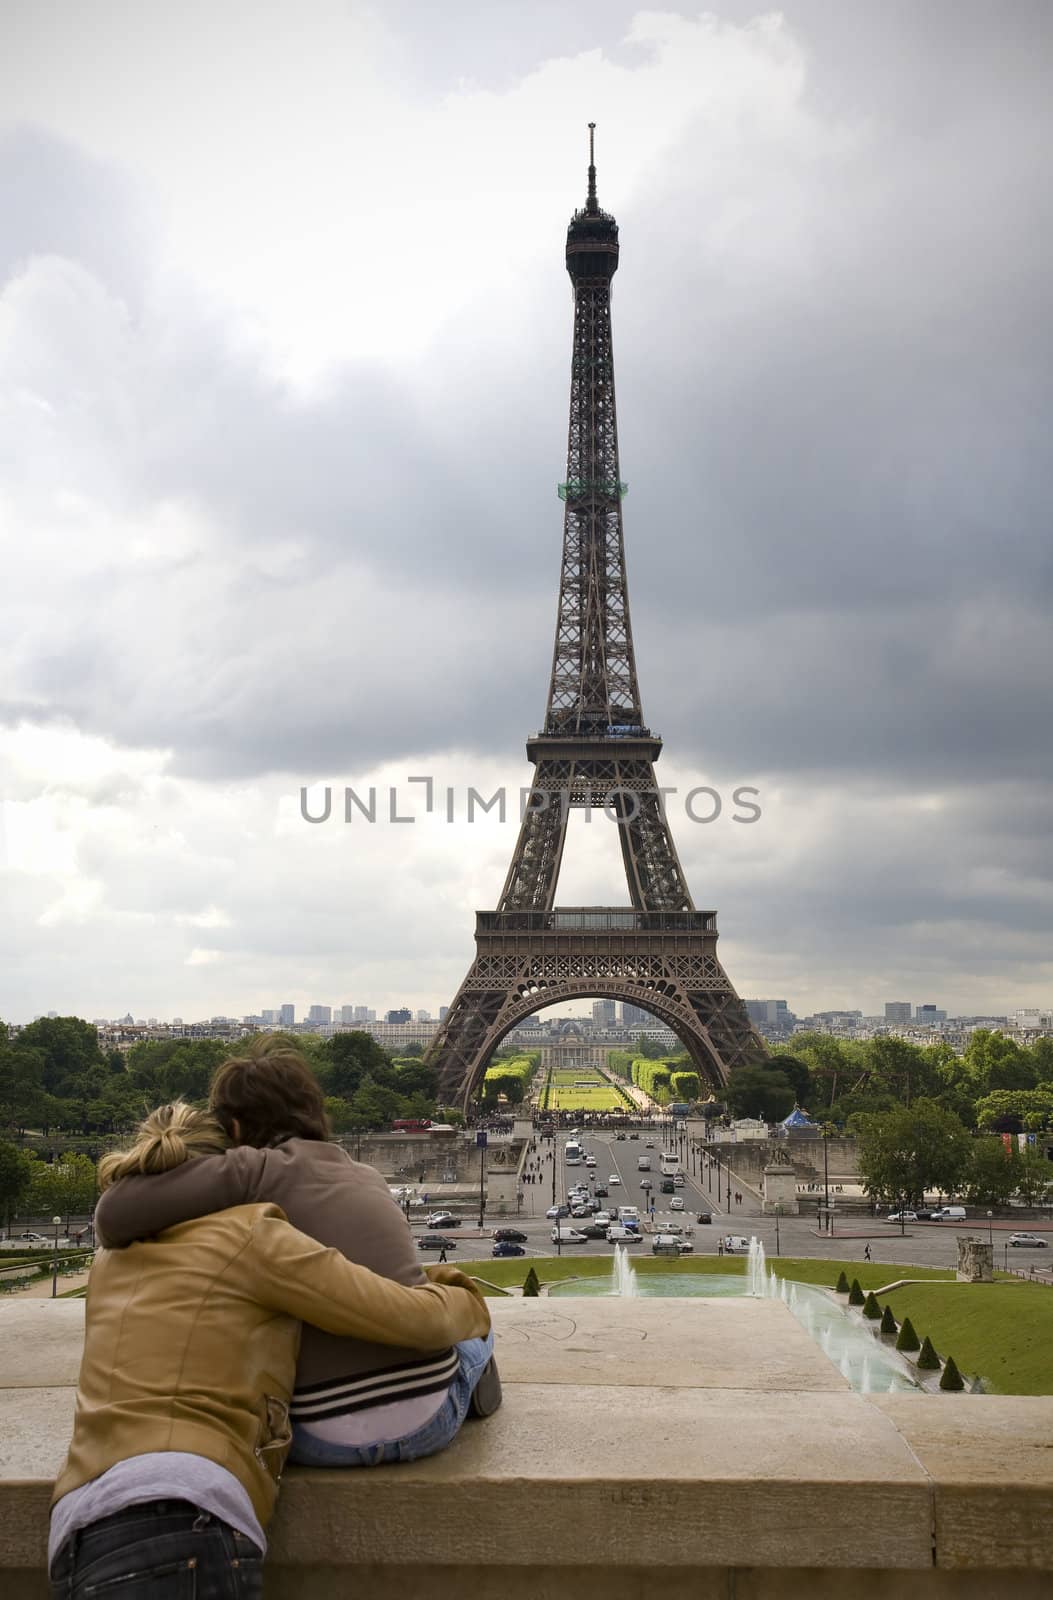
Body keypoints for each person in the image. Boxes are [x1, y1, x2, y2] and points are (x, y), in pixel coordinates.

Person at [51, 1102, 489, 1598]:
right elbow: (406, 1316)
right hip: (186, 1513)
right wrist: (457, 1289)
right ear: (225, 1169)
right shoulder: (250, 1236)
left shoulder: (109, 1260)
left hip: (78, 1521)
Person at [94, 1038, 501, 1474]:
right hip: (431, 1419)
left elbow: (114, 1216)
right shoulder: (366, 1176)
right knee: (476, 1337)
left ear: (233, 1129)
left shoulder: (250, 1171)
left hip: (315, 1436)